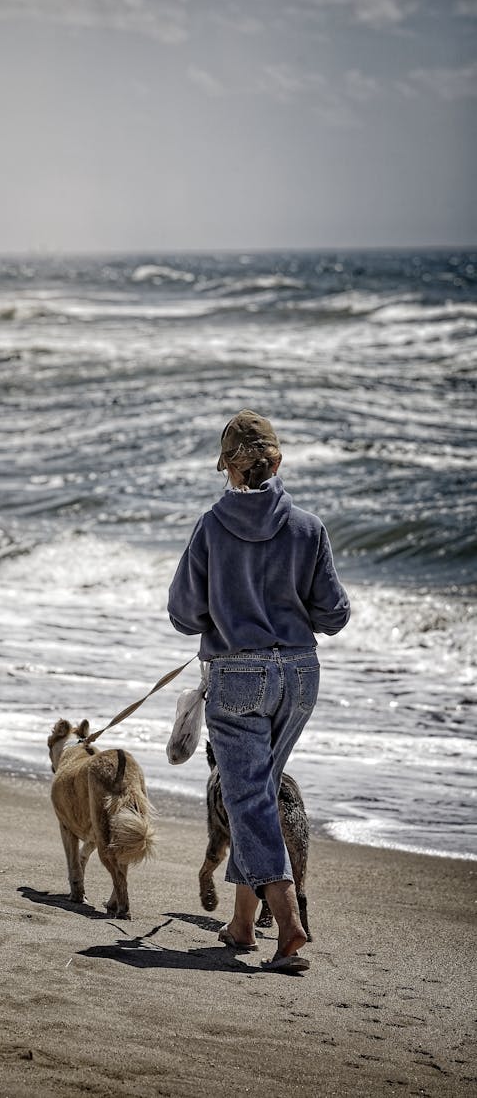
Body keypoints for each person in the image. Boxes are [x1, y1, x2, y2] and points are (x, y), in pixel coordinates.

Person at [168, 410, 350, 974]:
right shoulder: (308, 527)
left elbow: (181, 613)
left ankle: (288, 924)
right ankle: (243, 924)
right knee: (260, 793)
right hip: (299, 675)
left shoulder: (211, 526)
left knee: (247, 799)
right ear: (277, 462)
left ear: (230, 470)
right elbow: (335, 614)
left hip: (237, 675)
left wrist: (225, 611)